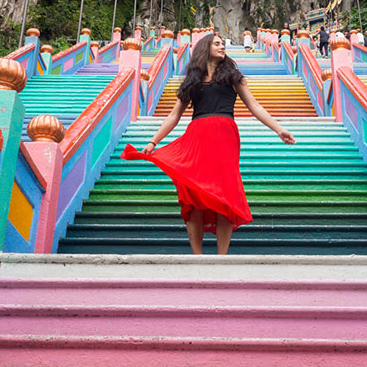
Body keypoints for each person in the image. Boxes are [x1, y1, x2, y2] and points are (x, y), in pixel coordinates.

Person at [122, 32, 295, 254]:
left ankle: (222, 257)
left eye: (223, 44)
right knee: (194, 196)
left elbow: (255, 106)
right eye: (217, 44)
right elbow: (174, 116)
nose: (222, 47)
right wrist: (153, 142)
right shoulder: (191, 82)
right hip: (197, 136)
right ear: (205, 48)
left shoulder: (234, 77)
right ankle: (197, 256)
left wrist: (279, 129)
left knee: (225, 195)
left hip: (225, 136)